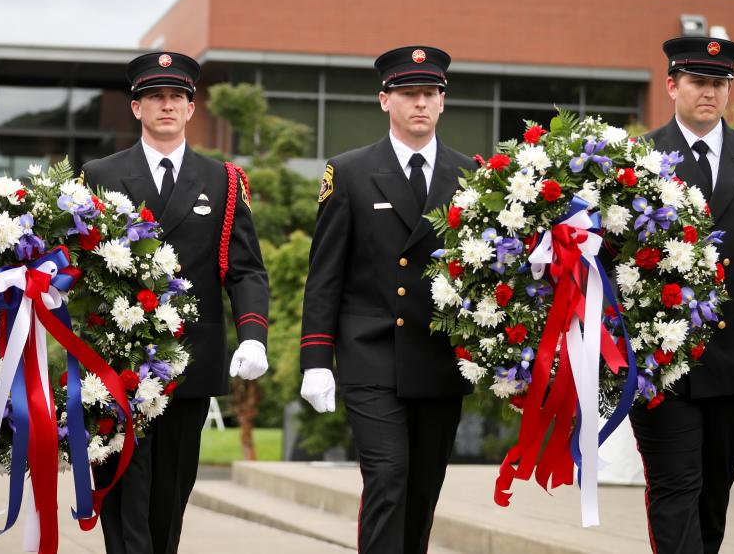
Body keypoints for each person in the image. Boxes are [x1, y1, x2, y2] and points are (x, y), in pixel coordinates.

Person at [83, 51, 270, 554]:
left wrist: (253, 334)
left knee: (170, 493)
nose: (167, 106)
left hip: (190, 360)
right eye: (155, 97)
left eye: (177, 97)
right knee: (121, 486)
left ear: (191, 109)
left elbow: (246, 268)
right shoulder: (98, 175)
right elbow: (78, 266)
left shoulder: (223, 181)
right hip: (117, 363)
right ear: (136, 108)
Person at [299, 46, 475, 554]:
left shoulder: (472, 177)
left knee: (422, 489)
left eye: (430, 93)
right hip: (371, 353)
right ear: (384, 100)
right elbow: (325, 274)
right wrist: (316, 359)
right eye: (407, 93)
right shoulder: (350, 172)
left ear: (442, 102)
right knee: (388, 476)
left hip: (440, 358)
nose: (420, 103)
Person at [630, 35, 734, 554]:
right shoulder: (636, 159)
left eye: (719, 84)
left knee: (713, 498)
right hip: (660, 360)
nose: (709, 93)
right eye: (698, 82)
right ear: (672, 85)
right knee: (676, 489)